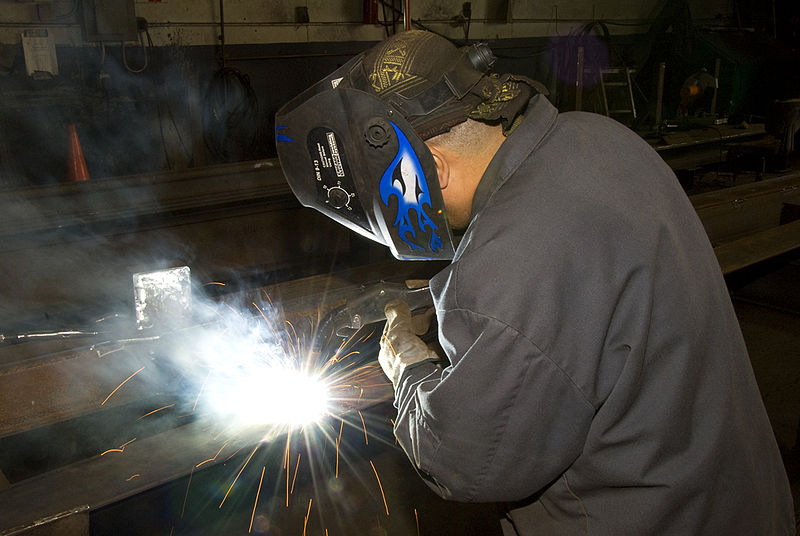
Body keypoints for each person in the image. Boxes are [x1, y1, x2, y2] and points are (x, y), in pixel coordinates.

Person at [277, 30, 795, 535]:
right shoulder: (597, 136)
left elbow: (465, 462)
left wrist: (407, 368)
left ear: (431, 168)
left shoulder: (506, 267)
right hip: (735, 493)